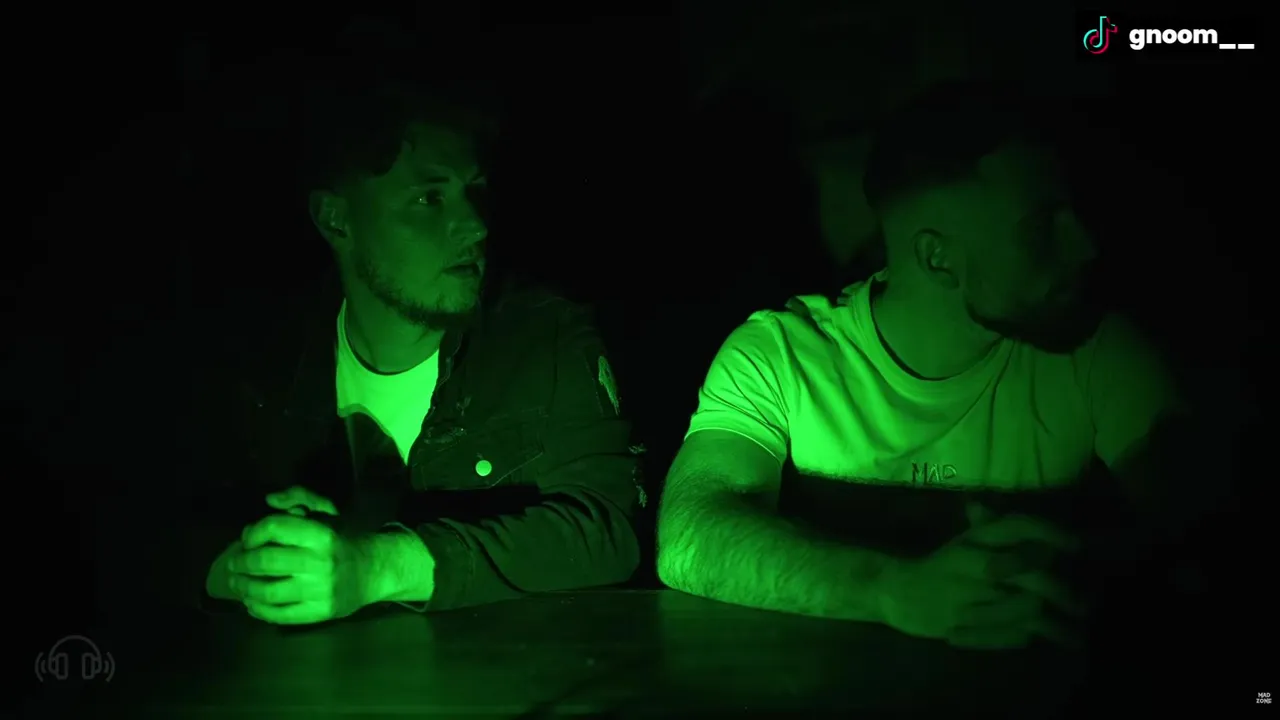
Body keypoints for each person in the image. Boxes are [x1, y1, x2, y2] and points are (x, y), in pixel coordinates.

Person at [654, 82, 1186, 649]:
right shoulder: (781, 354)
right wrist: (893, 591)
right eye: (1041, 227)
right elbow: (688, 537)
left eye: (1074, 214)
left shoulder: (1099, 349)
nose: (1084, 246)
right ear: (937, 257)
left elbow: (1210, 533)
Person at [190, 73, 643, 625]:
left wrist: (378, 567)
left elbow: (608, 530)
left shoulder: (541, 334)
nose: (474, 226)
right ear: (336, 219)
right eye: (430, 198)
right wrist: (252, 567)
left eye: (475, 191)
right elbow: (146, 521)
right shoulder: (265, 356)